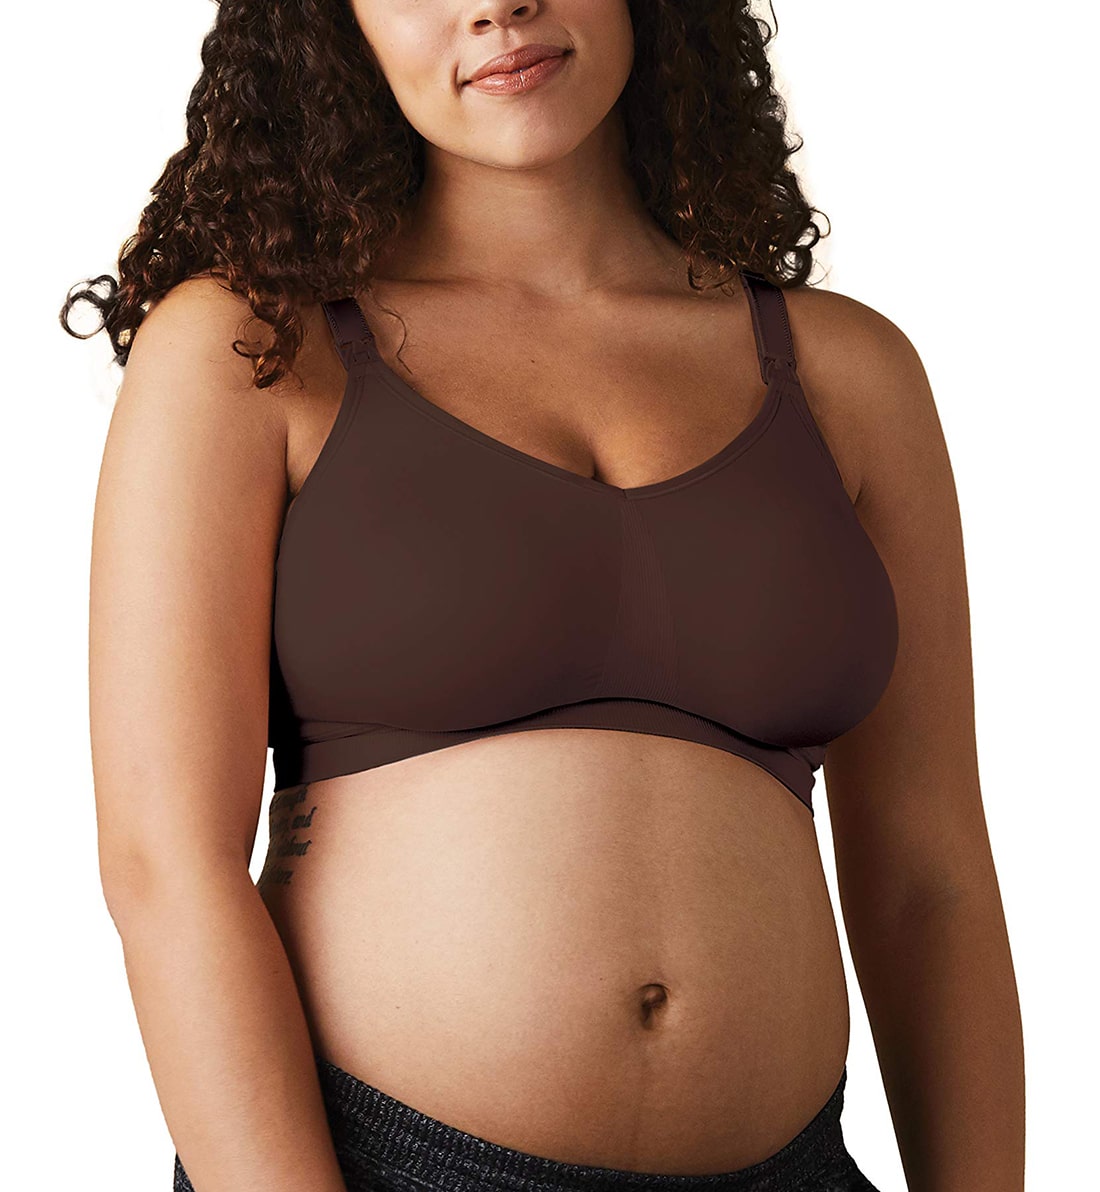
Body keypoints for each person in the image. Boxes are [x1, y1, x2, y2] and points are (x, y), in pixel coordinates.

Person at [71, 2, 1024, 1189]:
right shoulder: (254, 349)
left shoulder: (844, 373)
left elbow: (928, 878)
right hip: (383, 1162)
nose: (494, 5)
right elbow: (166, 868)